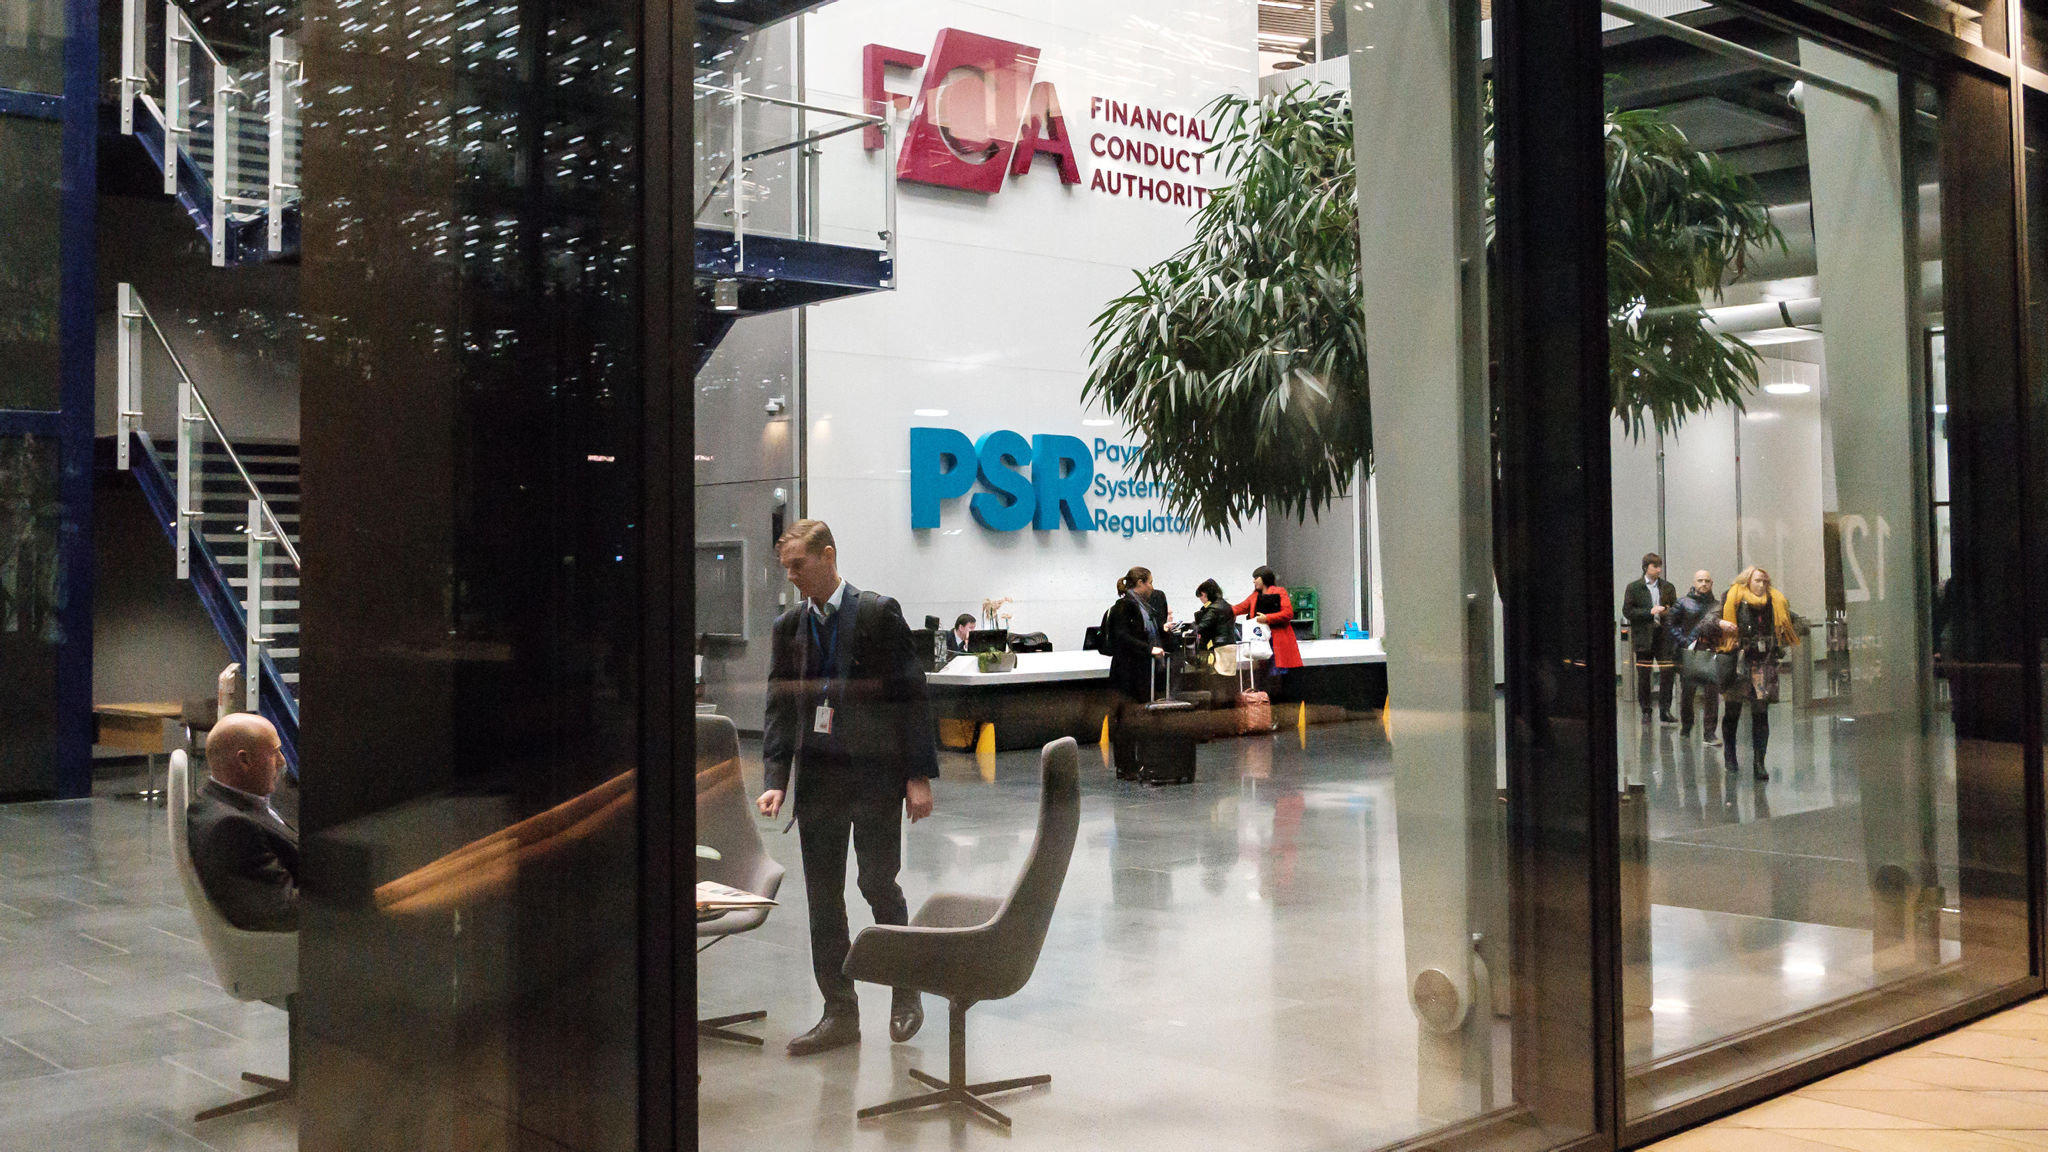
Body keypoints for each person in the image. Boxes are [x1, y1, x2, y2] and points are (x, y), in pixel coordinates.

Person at [756, 519, 938, 1056]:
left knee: (878, 884)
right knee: (823, 898)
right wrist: (776, 779)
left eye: (799, 565)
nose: (791, 576)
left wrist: (918, 775)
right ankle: (839, 1012)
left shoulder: (878, 613)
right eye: (786, 568)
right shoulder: (789, 626)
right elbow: (779, 705)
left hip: (874, 776)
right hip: (819, 781)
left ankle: (906, 990)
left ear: (828, 555)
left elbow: (911, 695)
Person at [187, 712, 298, 932]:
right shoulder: (230, 828)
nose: (282, 762)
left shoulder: (218, 801)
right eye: (275, 753)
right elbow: (280, 910)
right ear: (244, 760)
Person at [1715, 565, 1799, 780]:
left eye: (1764, 581)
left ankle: (1759, 763)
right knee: (1732, 710)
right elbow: (1709, 621)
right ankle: (1730, 755)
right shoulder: (1733, 597)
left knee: (1760, 712)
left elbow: (1797, 622)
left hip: (1762, 663)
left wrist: (1782, 638)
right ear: (1747, 581)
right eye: (1757, 581)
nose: (1762, 585)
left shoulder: (1775, 600)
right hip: (1738, 662)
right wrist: (1720, 623)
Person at [1105, 567, 1167, 781]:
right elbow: (1122, 637)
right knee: (1126, 719)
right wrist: (1148, 649)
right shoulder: (1125, 607)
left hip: (1139, 671)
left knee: (1137, 718)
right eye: (1150, 582)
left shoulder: (1144, 607)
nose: (1152, 587)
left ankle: (1138, 762)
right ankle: (1126, 765)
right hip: (1128, 672)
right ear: (1140, 583)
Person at [1621, 552, 1679, 724]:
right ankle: (1646, 710)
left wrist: (1666, 611)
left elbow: (1675, 609)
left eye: (1660, 566)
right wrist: (1649, 612)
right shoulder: (1634, 587)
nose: (1659, 570)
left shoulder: (1668, 587)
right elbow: (1628, 611)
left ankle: (1665, 710)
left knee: (1667, 673)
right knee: (1644, 676)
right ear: (1646, 567)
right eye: (1655, 566)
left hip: (1663, 636)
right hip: (1644, 637)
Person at [1669, 569, 1723, 745]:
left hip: (1710, 651)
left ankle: (1709, 732)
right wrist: (1684, 641)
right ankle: (1687, 725)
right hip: (1689, 652)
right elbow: (1671, 624)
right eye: (1700, 580)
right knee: (1687, 693)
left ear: (1711, 583)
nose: (1703, 584)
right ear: (1694, 582)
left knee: (1712, 694)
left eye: (1707, 581)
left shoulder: (1718, 606)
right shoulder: (1683, 603)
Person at [1234, 566, 1302, 690]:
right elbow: (1240, 608)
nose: (1254, 581)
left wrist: (1267, 618)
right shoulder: (1254, 595)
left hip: (1277, 641)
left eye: (1256, 578)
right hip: (1263, 639)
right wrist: (1222, 609)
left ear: (1264, 578)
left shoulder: (1279, 591)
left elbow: (1288, 613)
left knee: (1279, 675)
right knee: (1267, 675)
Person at [1192, 579, 1236, 651]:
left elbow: (1202, 627)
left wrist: (1193, 625)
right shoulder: (1226, 605)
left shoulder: (1213, 609)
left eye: (1200, 597)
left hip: (1219, 646)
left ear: (1204, 594)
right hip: (1230, 643)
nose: (1201, 600)